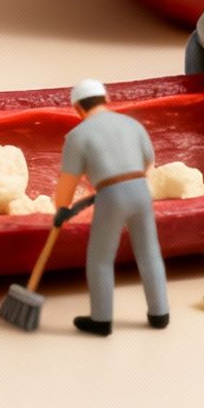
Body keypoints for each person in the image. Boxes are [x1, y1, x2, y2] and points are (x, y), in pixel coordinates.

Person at [51, 78, 168, 335]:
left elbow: (67, 181)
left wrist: (61, 208)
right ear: (106, 100)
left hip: (110, 195)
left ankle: (101, 320)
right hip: (140, 189)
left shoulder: (77, 135)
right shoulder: (132, 124)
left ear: (78, 108)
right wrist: (130, 185)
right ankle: (160, 314)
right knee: (149, 252)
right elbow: (149, 160)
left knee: (100, 259)